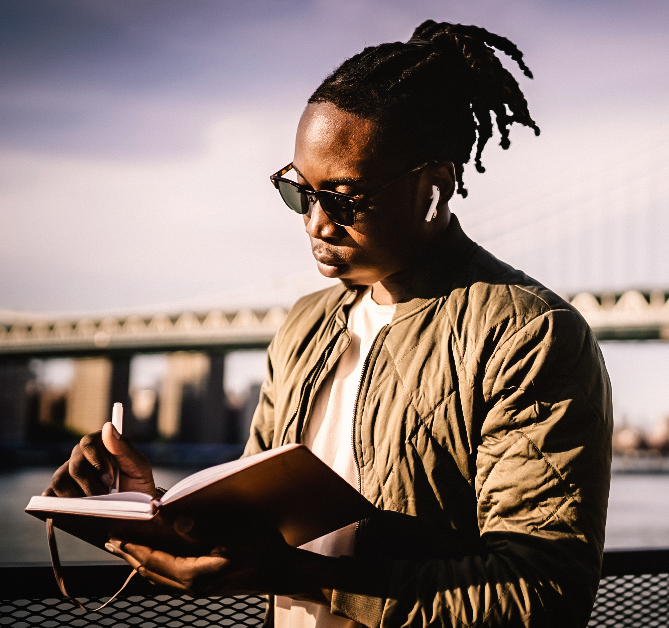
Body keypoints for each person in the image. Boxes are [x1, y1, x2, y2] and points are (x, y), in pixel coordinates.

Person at [43, 20, 613, 628]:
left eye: (344, 198)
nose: (315, 223)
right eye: (301, 192)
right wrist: (146, 507)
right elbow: (252, 538)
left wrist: (300, 576)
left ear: (435, 187)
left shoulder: (527, 333)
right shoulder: (303, 326)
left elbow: (545, 598)